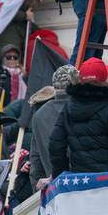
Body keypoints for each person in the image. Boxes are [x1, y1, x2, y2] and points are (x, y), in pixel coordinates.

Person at [27, 64, 77, 193]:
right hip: (82, 187)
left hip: (54, 191)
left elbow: (35, 160)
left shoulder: (39, 115)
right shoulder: (81, 109)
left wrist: (38, 195)